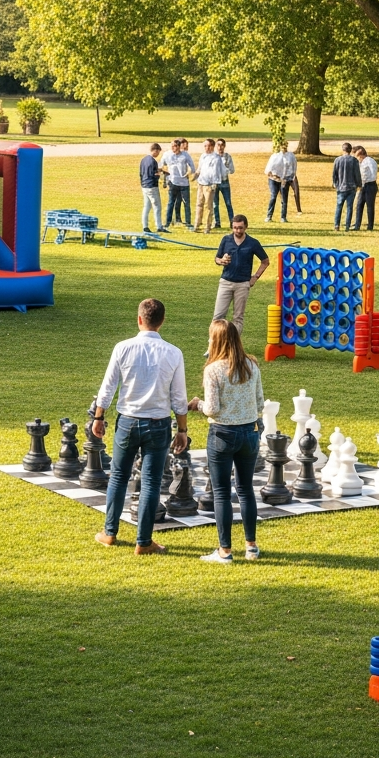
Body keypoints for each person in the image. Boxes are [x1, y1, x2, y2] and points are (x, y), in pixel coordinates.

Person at [92, 298, 189, 554]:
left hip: (127, 421)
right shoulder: (173, 352)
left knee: (119, 477)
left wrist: (99, 417)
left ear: (139, 319)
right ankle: (143, 542)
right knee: (150, 482)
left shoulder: (122, 348)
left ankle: (110, 533)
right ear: (162, 322)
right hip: (158, 424)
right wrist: (182, 430)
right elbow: (179, 397)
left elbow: (108, 386)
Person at [189, 319, 265, 564]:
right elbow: (261, 403)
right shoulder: (251, 365)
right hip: (250, 433)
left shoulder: (213, 370)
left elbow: (211, 409)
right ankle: (251, 546)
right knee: (245, 490)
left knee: (221, 493)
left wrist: (197, 404)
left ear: (217, 340)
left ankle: (225, 551)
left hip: (222, 434)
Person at [212, 215, 270, 335]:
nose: (237, 231)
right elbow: (217, 258)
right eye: (235, 228)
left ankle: (235, 346)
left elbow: (265, 261)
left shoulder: (253, 243)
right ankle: (213, 345)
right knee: (218, 316)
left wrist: (255, 277)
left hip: (243, 284)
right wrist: (221, 261)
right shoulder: (226, 240)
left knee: (238, 318)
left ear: (246, 227)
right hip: (226, 282)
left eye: (240, 228)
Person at [161, 138, 195, 229]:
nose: (173, 148)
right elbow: (161, 166)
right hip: (172, 182)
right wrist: (165, 174)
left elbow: (192, 166)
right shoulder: (167, 155)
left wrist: (189, 173)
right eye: (172, 146)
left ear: (179, 146)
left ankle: (188, 222)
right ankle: (167, 222)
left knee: (186, 203)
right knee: (171, 202)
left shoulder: (185, 155)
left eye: (175, 146)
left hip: (184, 183)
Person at [193, 138, 222, 234]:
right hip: (201, 183)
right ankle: (197, 225)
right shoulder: (203, 156)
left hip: (209, 185)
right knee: (199, 204)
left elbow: (216, 172)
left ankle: (207, 226)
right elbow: (199, 169)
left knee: (208, 206)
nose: (206, 148)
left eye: (208, 145)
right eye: (205, 146)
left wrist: (214, 184)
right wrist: (194, 176)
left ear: (212, 146)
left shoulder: (216, 158)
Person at [332, 141, 362, 232]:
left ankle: (336, 225)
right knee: (349, 207)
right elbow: (357, 174)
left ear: (343, 150)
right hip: (351, 187)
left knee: (339, 207)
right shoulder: (354, 160)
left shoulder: (337, 160)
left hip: (341, 187)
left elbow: (335, 174)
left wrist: (334, 183)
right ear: (350, 150)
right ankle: (347, 226)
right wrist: (359, 184)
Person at [264, 141, 296, 223]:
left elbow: (293, 167)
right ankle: (269, 216)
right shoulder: (275, 156)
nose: (284, 147)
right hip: (274, 179)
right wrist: (273, 175)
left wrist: (289, 178)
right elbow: (268, 169)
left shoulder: (290, 156)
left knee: (284, 199)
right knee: (273, 196)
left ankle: (283, 217)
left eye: (285, 145)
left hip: (285, 179)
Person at [139, 143, 167, 233]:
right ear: (155, 150)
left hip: (144, 186)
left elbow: (142, 173)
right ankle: (159, 226)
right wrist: (160, 175)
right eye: (158, 152)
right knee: (157, 207)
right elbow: (153, 175)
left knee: (146, 206)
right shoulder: (153, 161)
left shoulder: (143, 160)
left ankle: (145, 226)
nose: (158, 154)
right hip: (152, 186)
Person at [352, 146, 378, 230]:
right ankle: (357, 225)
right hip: (363, 186)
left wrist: (365, 181)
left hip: (370, 185)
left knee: (370, 206)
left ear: (361, 155)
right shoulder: (361, 162)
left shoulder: (370, 161)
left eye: (357, 156)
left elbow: (373, 174)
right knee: (359, 205)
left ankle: (370, 226)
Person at [213, 137, 235, 229]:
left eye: (222, 145)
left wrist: (225, 170)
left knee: (228, 203)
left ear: (224, 146)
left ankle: (232, 222)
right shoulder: (213, 156)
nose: (220, 147)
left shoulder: (227, 157)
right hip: (214, 182)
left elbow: (232, 170)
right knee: (215, 204)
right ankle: (217, 222)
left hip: (224, 181)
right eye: (218, 145)